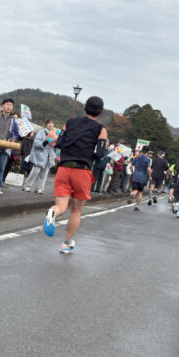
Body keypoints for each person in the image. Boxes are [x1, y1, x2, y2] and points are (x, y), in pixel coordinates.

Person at [43, 96, 108, 253]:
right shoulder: (101, 129)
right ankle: (66, 243)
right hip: (82, 170)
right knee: (76, 210)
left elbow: (59, 142)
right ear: (100, 112)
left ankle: (53, 212)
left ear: (84, 107)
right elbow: (100, 153)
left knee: (61, 206)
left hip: (64, 168)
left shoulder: (70, 122)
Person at [23, 119, 56, 194]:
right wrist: (46, 142)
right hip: (40, 155)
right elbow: (36, 143)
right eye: (48, 123)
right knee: (35, 171)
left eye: (52, 123)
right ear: (46, 124)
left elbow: (56, 146)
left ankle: (40, 188)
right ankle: (27, 185)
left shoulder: (55, 133)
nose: (50, 124)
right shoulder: (41, 132)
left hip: (49, 156)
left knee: (44, 174)